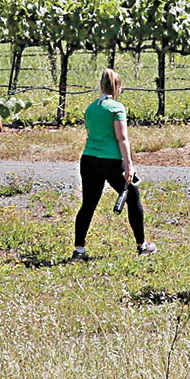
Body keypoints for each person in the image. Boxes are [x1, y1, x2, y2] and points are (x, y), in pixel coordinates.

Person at [72, 69, 154, 259]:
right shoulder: (117, 108)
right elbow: (122, 138)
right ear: (117, 87)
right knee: (133, 197)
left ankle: (79, 249)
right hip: (111, 161)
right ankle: (142, 245)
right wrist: (129, 165)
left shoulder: (91, 108)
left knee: (88, 204)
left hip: (89, 159)